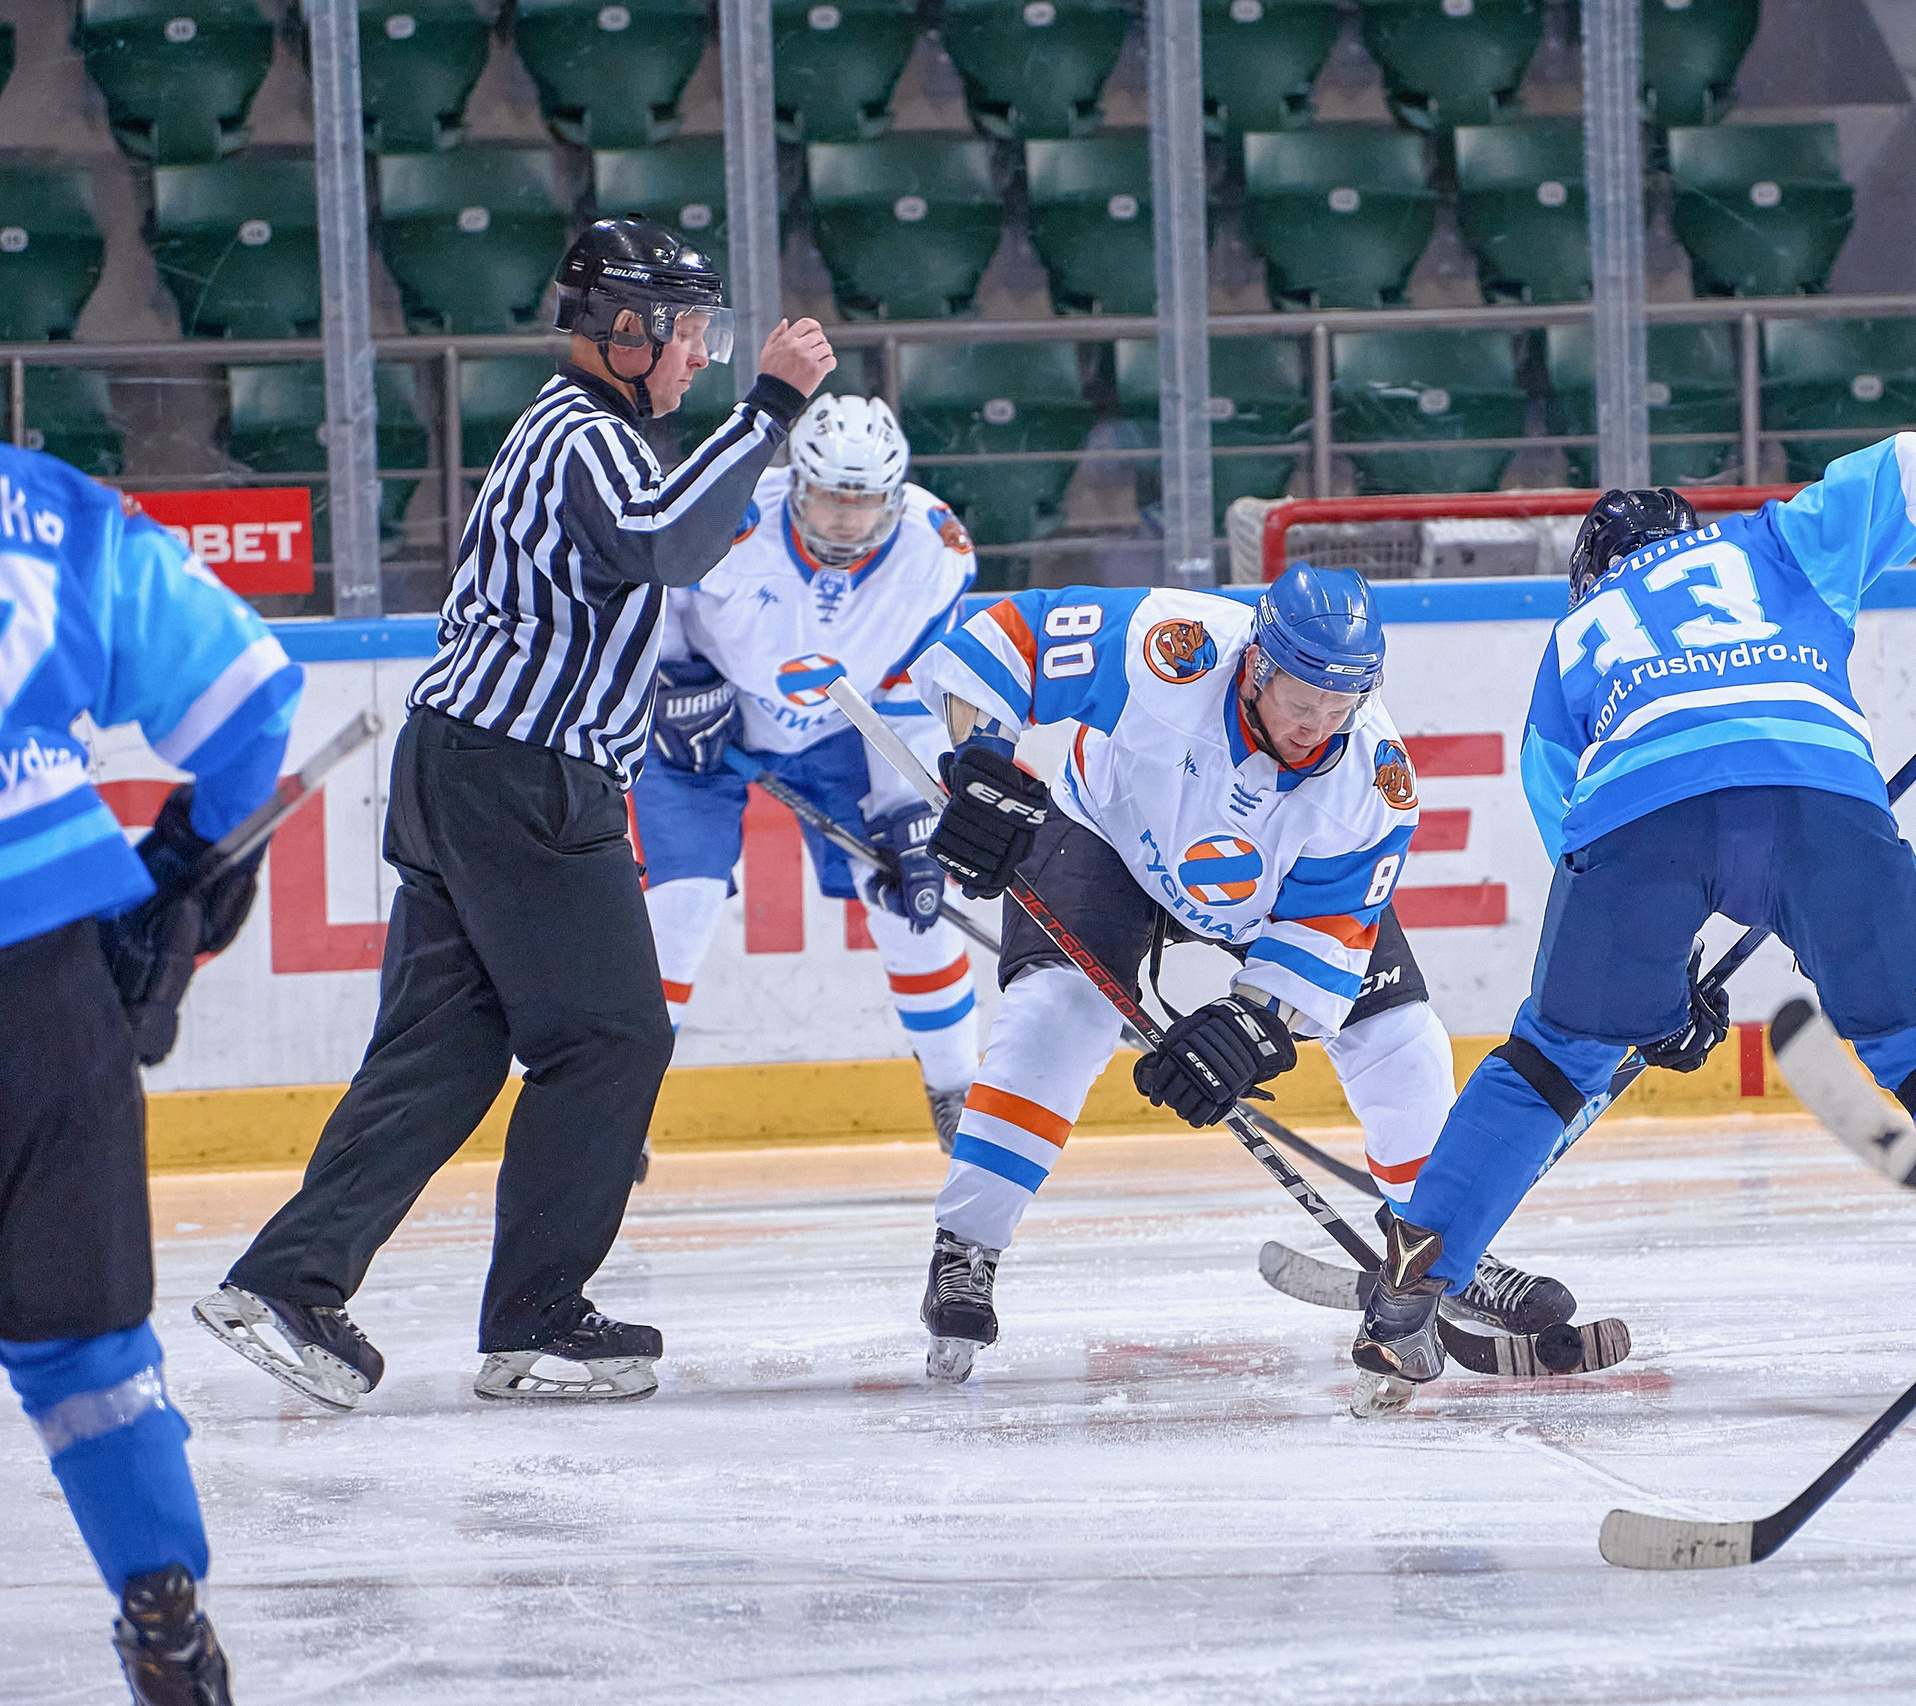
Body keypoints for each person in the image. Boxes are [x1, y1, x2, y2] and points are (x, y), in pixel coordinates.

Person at [196, 218, 836, 1410]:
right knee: (611, 1038)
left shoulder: (584, 435)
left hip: (477, 766)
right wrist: (766, 412)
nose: (701, 353)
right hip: (527, 778)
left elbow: (656, 557)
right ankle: (538, 1316)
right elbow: (660, 544)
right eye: (689, 330)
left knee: (441, 1052)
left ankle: (291, 1280)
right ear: (626, 329)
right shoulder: (584, 435)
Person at [1349, 433, 1916, 1400]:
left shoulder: (1575, 637)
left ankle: (1404, 1301)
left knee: (1549, 1062)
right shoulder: (1774, 542)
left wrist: (1655, 989)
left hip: (1640, 819)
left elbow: (1567, 823)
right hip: (1817, 794)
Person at [898, 564, 1574, 1382]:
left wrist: (1249, 1028)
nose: (1318, 725)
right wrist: (979, 759)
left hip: (1269, 903)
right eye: (1302, 701)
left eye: (1339, 706)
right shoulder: (1168, 647)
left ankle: (1443, 1246)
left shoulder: (1374, 784)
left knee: (1402, 1042)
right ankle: (967, 1247)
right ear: (1255, 666)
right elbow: (1003, 637)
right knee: (1058, 1015)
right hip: (1105, 832)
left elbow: (1321, 944)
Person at [1, 443, 306, 1703]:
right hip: (41, 975)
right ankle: (163, 1612)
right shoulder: (41, 501)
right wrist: (188, 856)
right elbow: (249, 690)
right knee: (85, 1341)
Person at [635, 394, 981, 1149]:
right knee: (679, 909)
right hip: (706, 722)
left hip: (844, 733)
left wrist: (910, 817)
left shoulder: (938, 551)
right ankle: (614, 1108)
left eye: (865, 500)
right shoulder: (729, 513)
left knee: (911, 902)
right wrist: (674, 685)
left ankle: (958, 1090)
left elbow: (915, 695)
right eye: (830, 497)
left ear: (895, 494)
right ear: (798, 483)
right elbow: (650, 596)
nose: (847, 518)